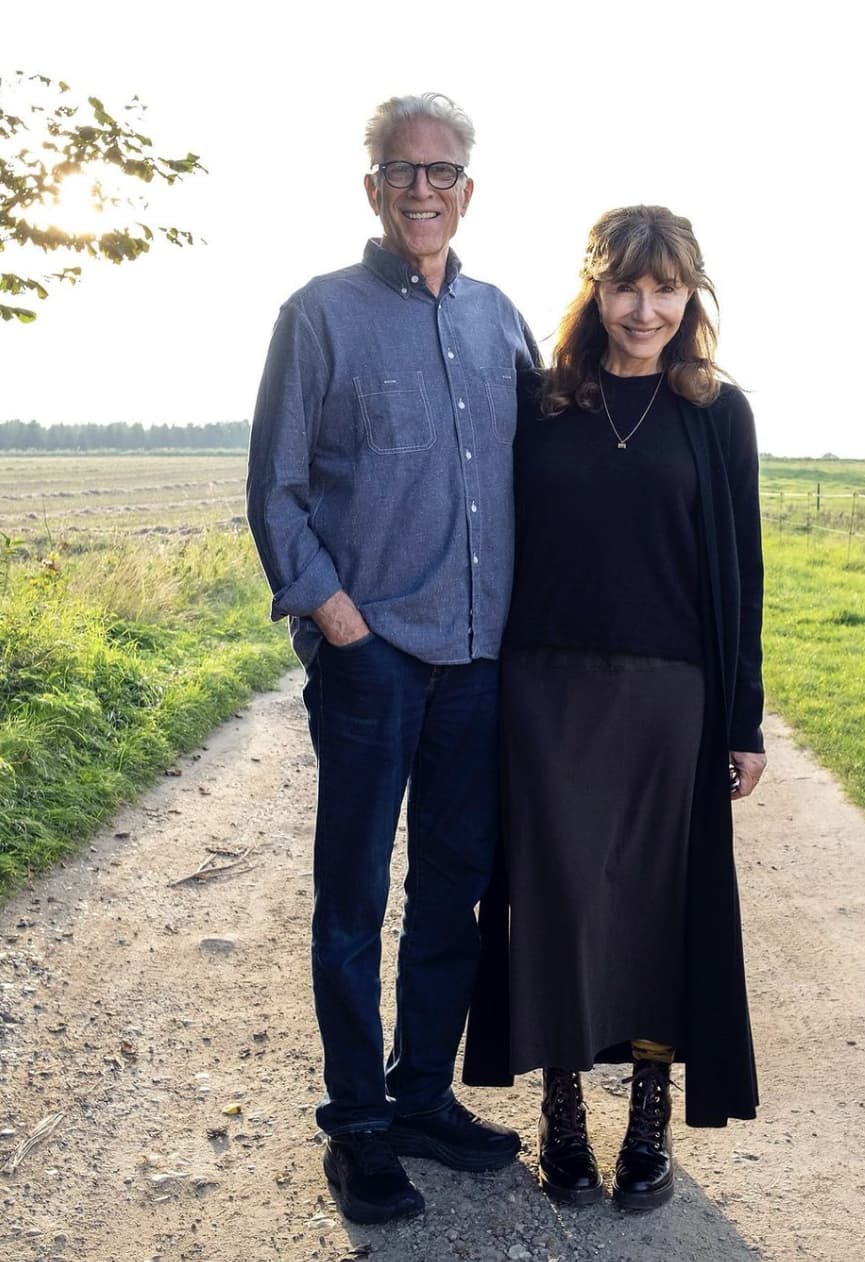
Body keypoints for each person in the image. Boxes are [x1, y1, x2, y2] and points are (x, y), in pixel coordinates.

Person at [246, 92, 540, 1226]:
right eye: (401, 169)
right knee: (353, 896)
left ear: (468, 187)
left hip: (478, 656)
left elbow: (549, 459)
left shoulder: (499, 317)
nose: (423, 188)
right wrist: (331, 616)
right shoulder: (318, 315)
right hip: (371, 659)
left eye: (443, 170)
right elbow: (275, 484)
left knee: (453, 890)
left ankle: (420, 1094)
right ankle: (358, 1124)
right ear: (370, 186)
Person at [464, 204, 765, 1211]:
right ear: (594, 287)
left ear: (691, 294)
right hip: (544, 691)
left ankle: (646, 1114)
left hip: (667, 699)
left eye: (667, 287)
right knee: (552, 905)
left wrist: (741, 718)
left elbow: (742, 575)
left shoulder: (716, 412)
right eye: (627, 286)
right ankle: (559, 1112)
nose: (646, 309)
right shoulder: (542, 402)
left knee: (651, 915)